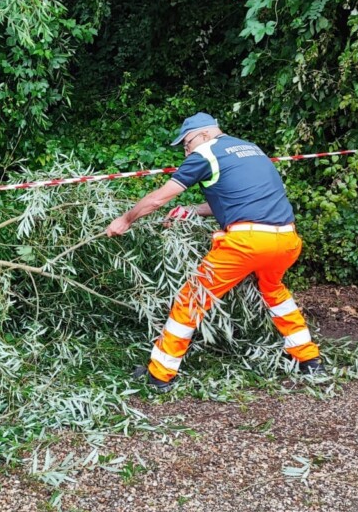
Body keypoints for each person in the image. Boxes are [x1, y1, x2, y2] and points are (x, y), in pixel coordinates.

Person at [105, 112, 327, 392]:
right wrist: (191, 211)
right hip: (286, 239)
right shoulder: (252, 150)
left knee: (191, 299)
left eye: (187, 144)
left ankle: (160, 375)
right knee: (275, 293)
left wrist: (125, 220)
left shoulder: (205, 153)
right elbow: (237, 197)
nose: (187, 151)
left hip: (246, 243)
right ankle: (309, 359)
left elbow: (159, 198)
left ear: (205, 135)